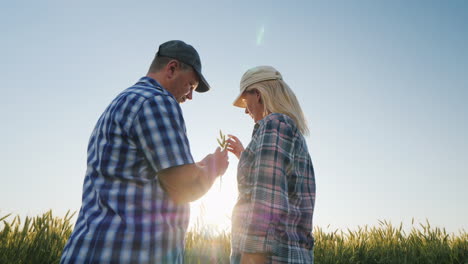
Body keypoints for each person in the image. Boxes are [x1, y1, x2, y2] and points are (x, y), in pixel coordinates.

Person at [60, 40, 229, 263]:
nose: (190, 96)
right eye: (191, 85)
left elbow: (147, 178)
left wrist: (199, 166)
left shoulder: (124, 101)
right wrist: (215, 166)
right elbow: (185, 188)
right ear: (172, 68)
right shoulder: (157, 102)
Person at [226, 66, 316, 263]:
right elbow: (272, 178)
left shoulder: (275, 123)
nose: (245, 111)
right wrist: (244, 155)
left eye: (245, 101)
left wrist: (252, 256)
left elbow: (268, 197)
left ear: (257, 94)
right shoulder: (284, 127)